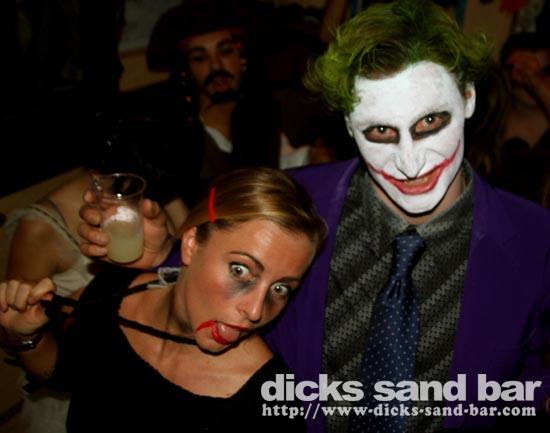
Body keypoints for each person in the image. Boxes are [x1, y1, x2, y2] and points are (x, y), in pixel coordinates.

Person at [78, 1, 550, 432]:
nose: (411, 163)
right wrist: (163, 255)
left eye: (430, 122)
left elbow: (532, 382)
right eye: (380, 131)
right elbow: (213, 282)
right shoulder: (291, 202)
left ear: (467, 98)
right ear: (348, 125)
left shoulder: (539, 242)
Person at [0, 167, 326, 432]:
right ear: (191, 244)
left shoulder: (268, 399)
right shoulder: (114, 293)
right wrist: (26, 337)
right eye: (240, 270)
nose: (255, 311)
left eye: (280, 289)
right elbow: (62, 372)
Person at [3, 145, 186, 433]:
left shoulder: (155, 187)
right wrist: (55, 317)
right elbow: (17, 322)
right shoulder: (39, 230)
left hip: (141, 378)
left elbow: (187, 261)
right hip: (72, 391)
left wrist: (162, 259)